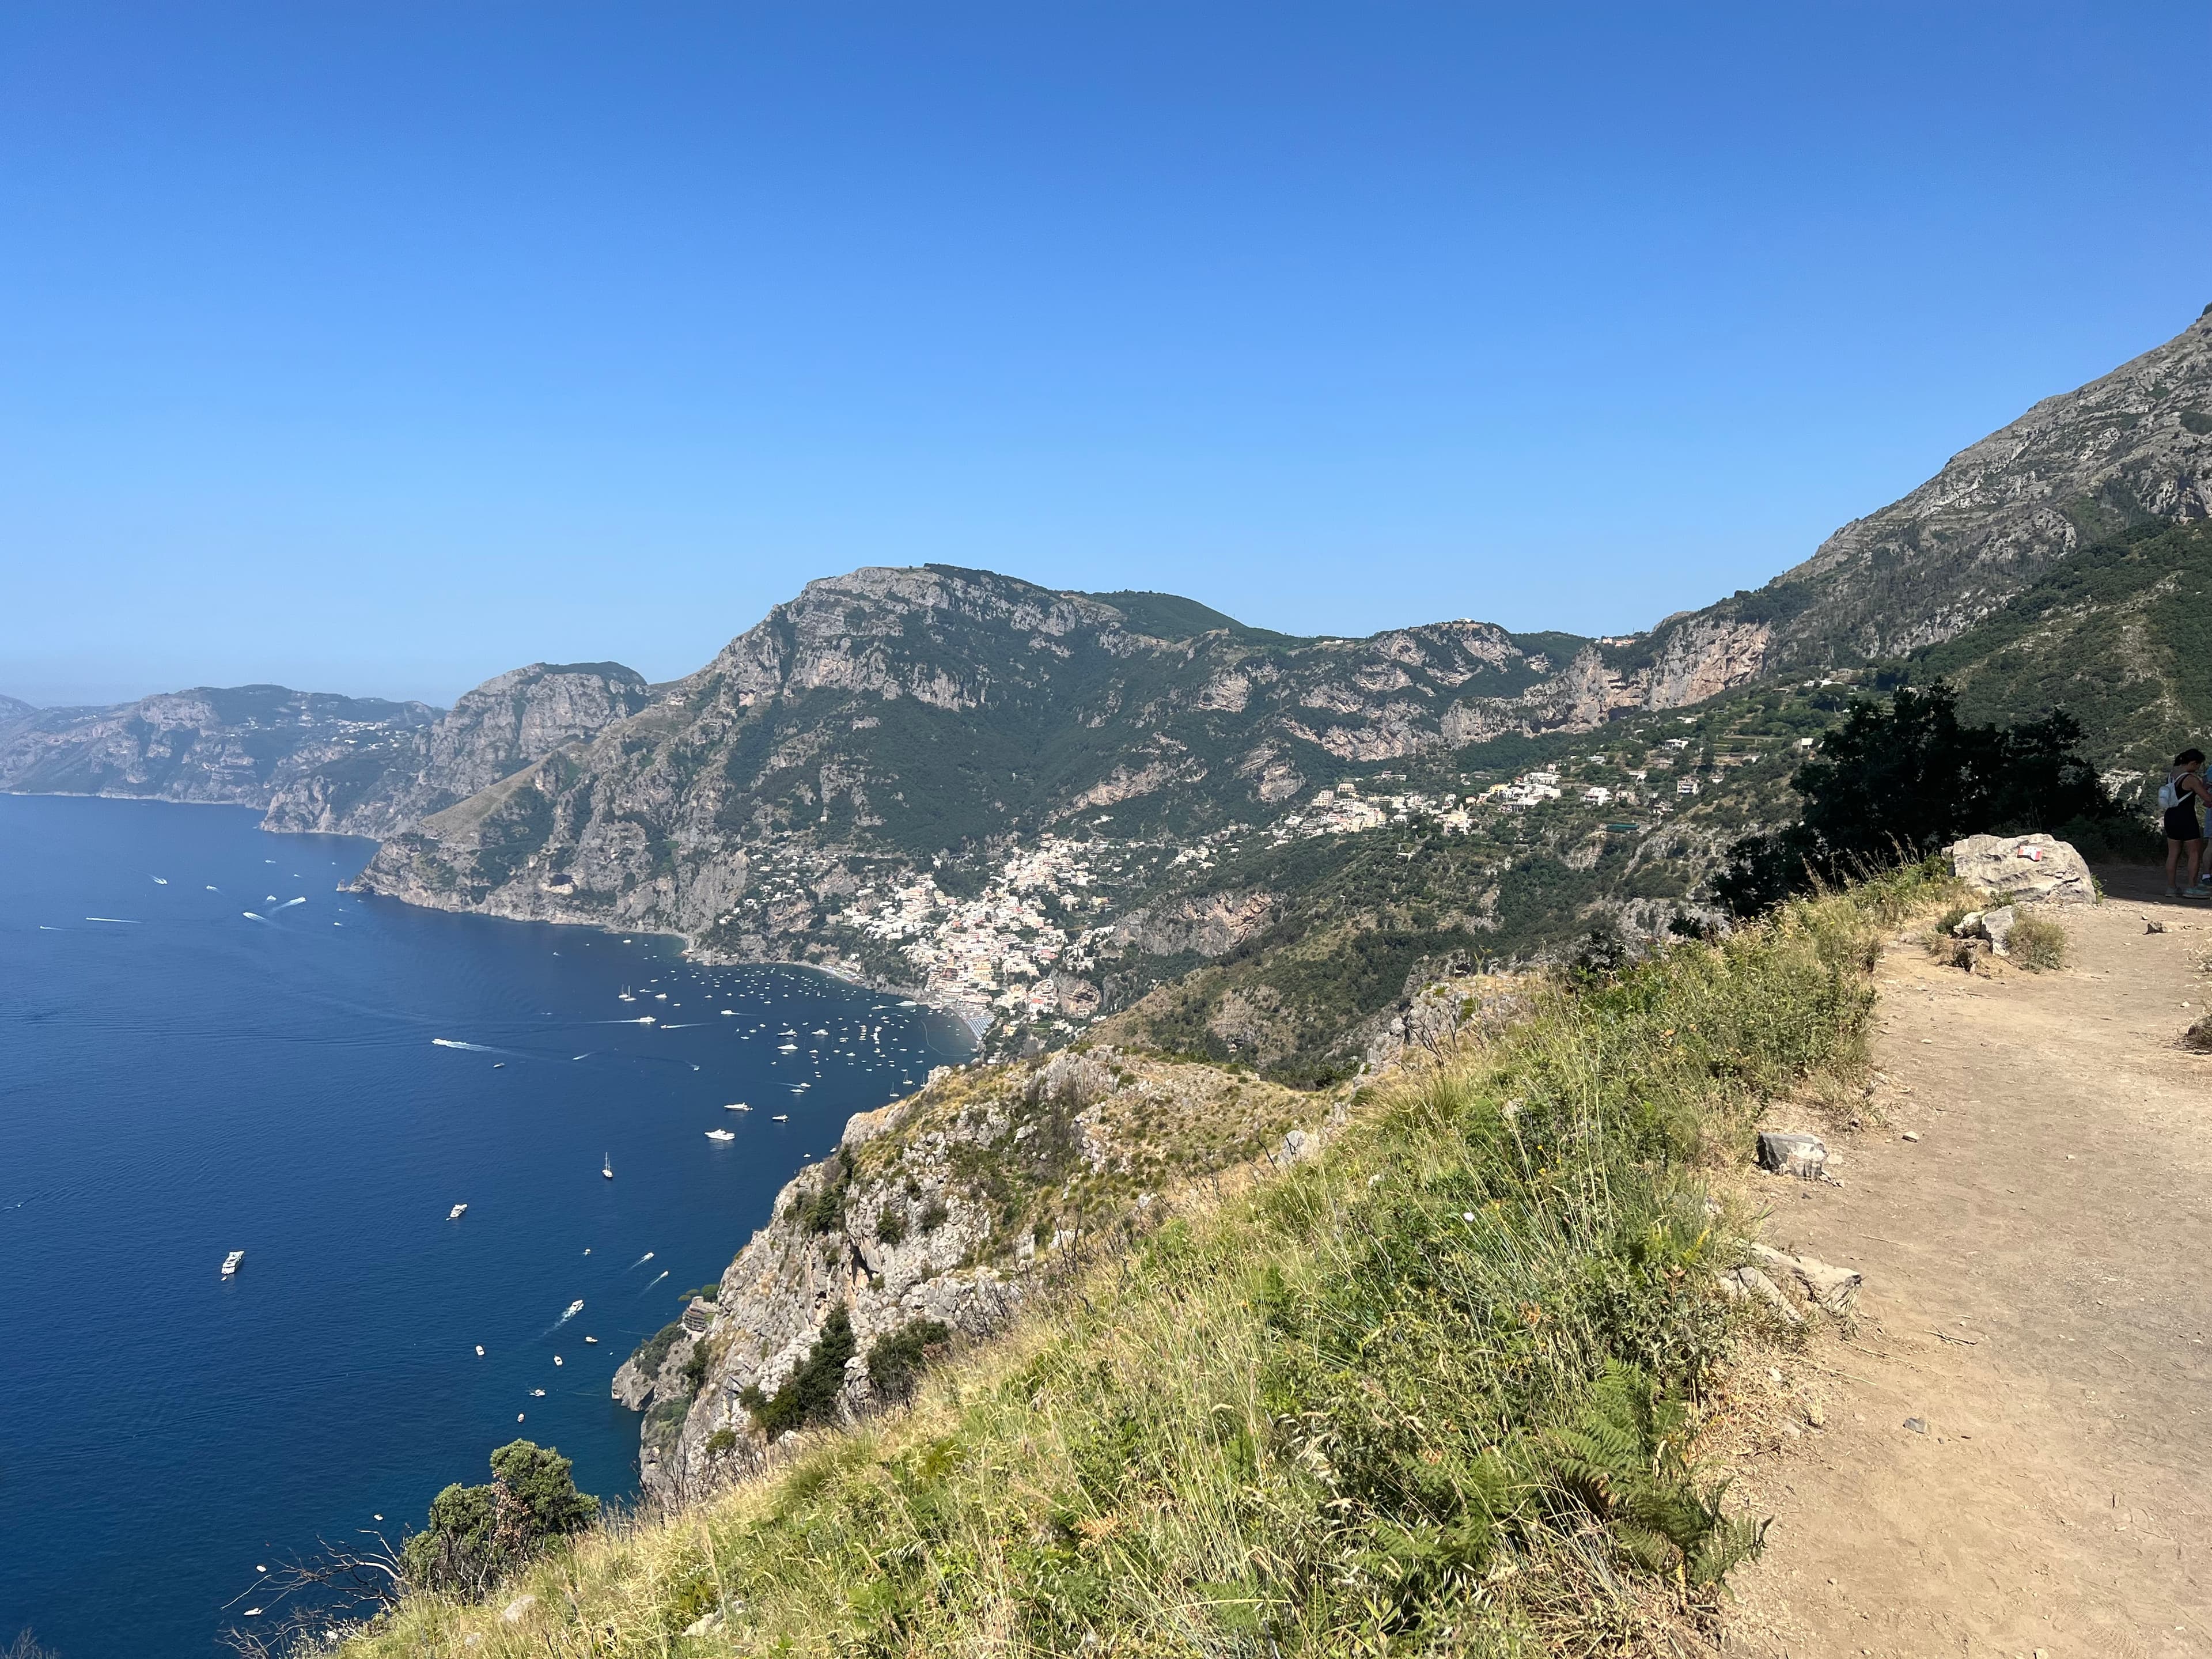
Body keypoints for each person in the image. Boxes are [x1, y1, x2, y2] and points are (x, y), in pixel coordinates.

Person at [2162, 748, 2211, 898]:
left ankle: (2171, 888)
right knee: (2194, 853)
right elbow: (2208, 798)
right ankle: (2192, 887)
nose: (2198, 769)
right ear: (2192, 763)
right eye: (2198, 765)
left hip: (2170, 816)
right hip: (2186, 818)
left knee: (2173, 854)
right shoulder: (2191, 779)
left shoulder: (2171, 775)